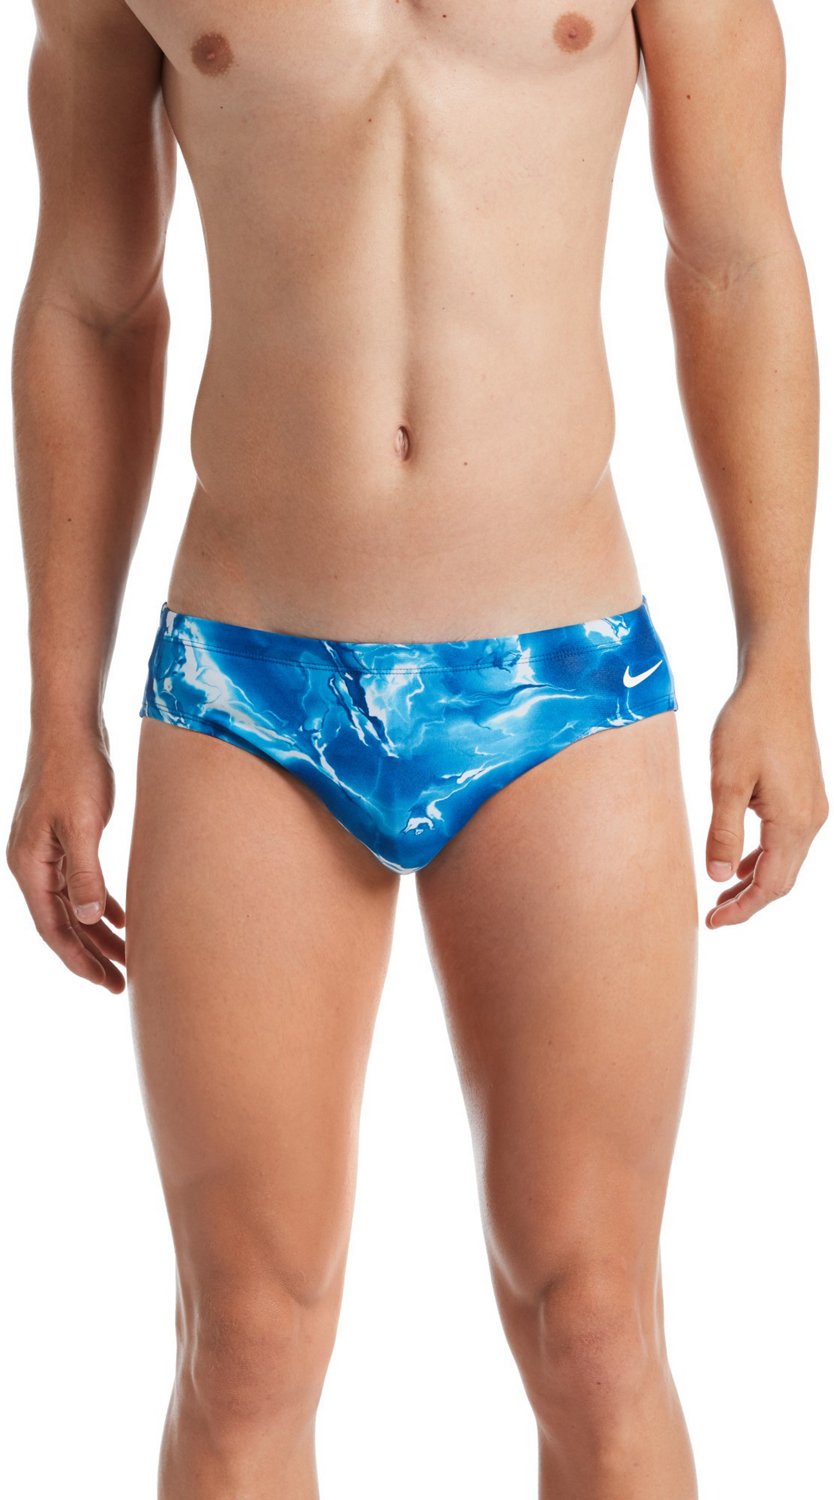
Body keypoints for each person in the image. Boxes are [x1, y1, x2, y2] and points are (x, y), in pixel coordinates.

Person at [6, 0, 828, 1495]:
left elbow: (735, 256)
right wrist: (59, 710)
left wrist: (780, 658)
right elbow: (90, 300)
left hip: (559, 672)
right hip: (248, 682)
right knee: (245, 1341)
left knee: (595, 1326)